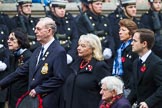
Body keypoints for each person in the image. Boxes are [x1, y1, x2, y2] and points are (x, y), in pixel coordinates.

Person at [0, 17, 68, 108]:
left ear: (49, 31)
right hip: (33, 101)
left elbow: (59, 78)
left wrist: (38, 90)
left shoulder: (58, 51)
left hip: (48, 101)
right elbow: (21, 71)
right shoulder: (37, 50)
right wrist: (1, 84)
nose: (35, 31)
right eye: (35, 28)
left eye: (38, 29)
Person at [64, 33, 111, 108]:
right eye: (79, 45)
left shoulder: (99, 66)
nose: (78, 48)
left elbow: (108, 92)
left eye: (83, 46)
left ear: (93, 48)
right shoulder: (76, 63)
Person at [128, 29, 162, 108]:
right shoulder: (136, 62)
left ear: (144, 44)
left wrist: (148, 103)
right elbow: (135, 89)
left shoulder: (157, 63)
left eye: (135, 41)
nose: (131, 43)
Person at [47, 0, 79, 64]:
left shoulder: (70, 20)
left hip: (70, 54)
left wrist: (71, 55)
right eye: (59, 8)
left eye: (63, 8)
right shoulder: (48, 21)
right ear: (52, 9)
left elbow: (75, 38)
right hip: (54, 56)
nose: (62, 10)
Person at [7, 28, 32, 108]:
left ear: (20, 41)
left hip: (23, 99)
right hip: (12, 99)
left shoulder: (28, 56)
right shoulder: (13, 55)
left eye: (12, 39)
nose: (8, 41)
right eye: (8, 39)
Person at [112, 19, 138, 97]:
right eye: (120, 30)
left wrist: (128, 85)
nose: (120, 32)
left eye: (123, 30)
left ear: (131, 33)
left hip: (128, 88)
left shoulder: (134, 49)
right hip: (119, 86)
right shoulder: (121, 48)